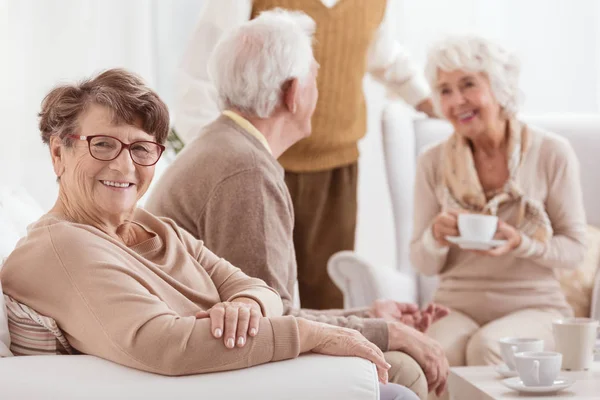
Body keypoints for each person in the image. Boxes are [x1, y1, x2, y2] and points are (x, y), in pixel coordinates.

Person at [0, 32, 417, 400]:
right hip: (222, 386)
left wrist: (245, 306)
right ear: (59, 152)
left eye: (142, 149)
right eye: (103, 144)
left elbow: (259, 289)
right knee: (398, 385)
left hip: (240, 376)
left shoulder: (155, 228)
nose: (125, 167)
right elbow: (165, 343)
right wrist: (311, 333)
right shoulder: (63, 246)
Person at [146, 9, 449, 400]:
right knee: (406, 368)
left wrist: (368, 317)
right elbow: (271, 323)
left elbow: (268, 308)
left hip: (209, 344)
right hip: (217, 364)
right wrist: (387, 331)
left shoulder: (227, 146)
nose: (318, 91)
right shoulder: (246, 170)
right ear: (294, 93)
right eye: (314, 78)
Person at [173, 0, 436, 310]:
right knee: (248, 291)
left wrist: (433, 105)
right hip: (259, 162)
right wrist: (222, 153)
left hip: (336, 168)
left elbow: (386, 57)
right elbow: (202, 72)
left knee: (328, 292)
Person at [409, 35, 587, 397]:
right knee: (429, 353)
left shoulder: (552, 153)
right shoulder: (432, 161)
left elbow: (575, 249)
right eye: (444, 90)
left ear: (499, 87)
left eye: (468, 84)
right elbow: (421, 261)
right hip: (455, 304)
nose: (456, 100)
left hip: (534, 304)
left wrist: (522, 243)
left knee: (488, 346)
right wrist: (435, 237)